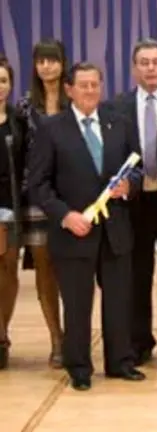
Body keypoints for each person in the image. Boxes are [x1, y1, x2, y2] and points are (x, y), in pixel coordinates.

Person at [28, 62, 146, 390]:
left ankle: (121, 362)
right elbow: (38, 184)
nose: (91, 91)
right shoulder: (52, 129)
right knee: (78, 304)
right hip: (73, 232)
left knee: (120, 300)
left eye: (95, 84)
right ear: (69, 90)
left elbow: (136, 168)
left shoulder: (118, 123)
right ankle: (79, 367)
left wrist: (129, 187)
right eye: (84, 85)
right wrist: (65, 215)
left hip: (115, 232)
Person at [107, 38, 157, 365]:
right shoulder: (117, 106)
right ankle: (139, 343)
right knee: (136, 275)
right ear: (134, 68)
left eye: (156, 62)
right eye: (144, 62)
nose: (151, 68)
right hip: (134, 204)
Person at [12, 39, 68, 369]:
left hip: (72, 197)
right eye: (41, 61)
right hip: (35, 198)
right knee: (45, 270)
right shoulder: (23, 106)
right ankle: (56, 339)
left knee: (72, 270)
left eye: (52, 60)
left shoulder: (72, 99)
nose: (46, 66)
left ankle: (75, 336)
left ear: (63, 63)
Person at [0, 56, 23, 369]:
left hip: (10, 207)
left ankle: (2, 333)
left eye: (3, 81)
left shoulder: (18, 121)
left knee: (8, 272)